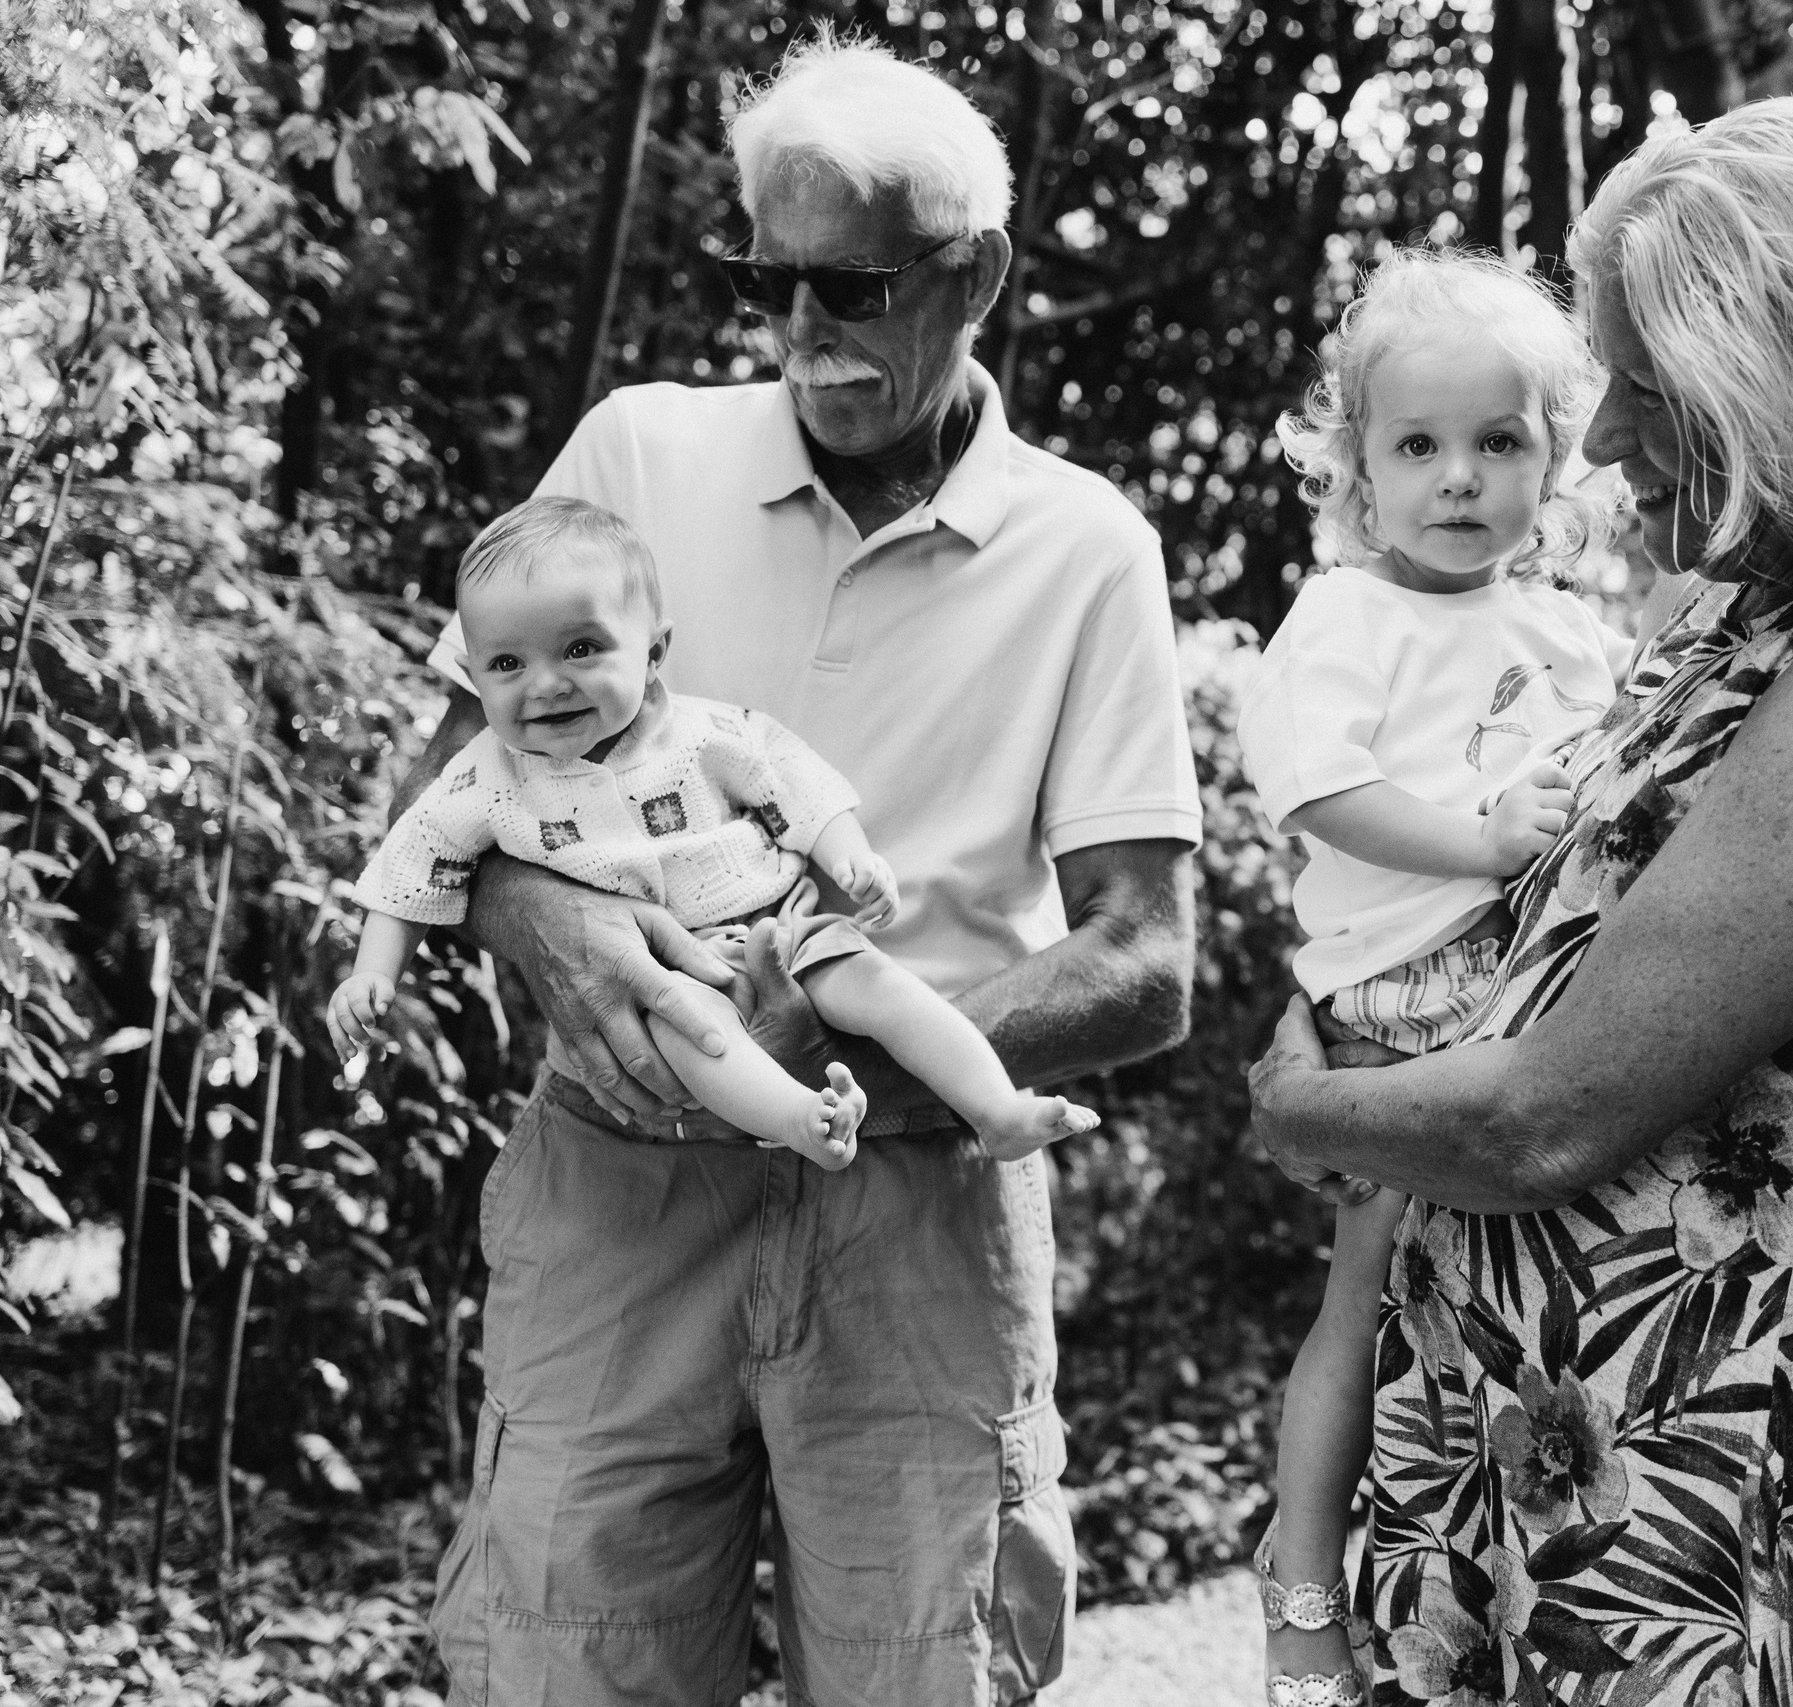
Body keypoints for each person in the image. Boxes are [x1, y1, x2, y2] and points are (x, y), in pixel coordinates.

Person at [1246, 98, 1793, 1707]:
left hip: (1696, 1495)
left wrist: (1307, 1104)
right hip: (1531, 1453)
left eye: (1640, 381)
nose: (1606, 437)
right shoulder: (1736, 615)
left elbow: (1542, 1118)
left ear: (1783, 375)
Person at [409, 34, 1199, 1707]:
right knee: (565, 1671)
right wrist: (546, 920)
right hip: (619, 1189)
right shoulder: (636, 455)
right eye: (774, 284)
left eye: (853, 287)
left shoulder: (1084, 547)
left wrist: (840, 1043)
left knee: (932, 1676)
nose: (804, 333)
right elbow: (447, 800)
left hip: (918, 1212)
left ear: (973, 273)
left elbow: (1146, 959)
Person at [1232, 248, 1619, 1707]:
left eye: (1499, 442)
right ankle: (1302, 1575)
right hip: (1400, 994)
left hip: (1524, 981)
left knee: (1496, 1305)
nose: (1460, 478)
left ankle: (1497, 1572)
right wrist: (1478, 842)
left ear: (1554, 458)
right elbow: (1314, 788)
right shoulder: (1347, 615)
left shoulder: (1569, 630)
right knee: (1361, 1291)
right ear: (1357, 469)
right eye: (1418, 445)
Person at [331, 496, 1100, 1164]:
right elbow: (417, 858)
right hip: (657, 974)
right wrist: (375, 971)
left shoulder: (702, 734)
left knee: (886, 988)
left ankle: (996, 1109)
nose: (547, 683)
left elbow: (793, 778)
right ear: (475, 673)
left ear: (655, 651)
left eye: (581, 649)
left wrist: (849, 853)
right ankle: (802, 1118)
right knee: (693, 1036)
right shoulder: (486, 776)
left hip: (782, 926)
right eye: (507, 663)